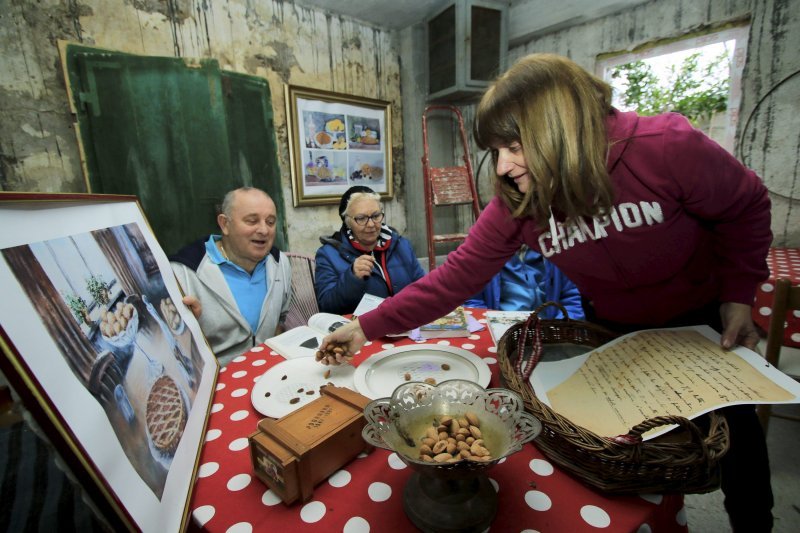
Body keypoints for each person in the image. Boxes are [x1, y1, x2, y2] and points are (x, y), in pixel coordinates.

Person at [322, 54, 773, 531]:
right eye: (495, 150)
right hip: (613, 328)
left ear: (558, 126)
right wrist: (364, 327)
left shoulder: (667, 146)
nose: (503, 166)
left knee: (737, 442)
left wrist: (739, 297)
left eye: (514, 146)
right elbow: (453, 278)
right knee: (632, 448)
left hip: (700, 319)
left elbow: (746, 206)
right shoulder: (520, 200)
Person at [170, 187, 292, 366]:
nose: (264, 230)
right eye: (252, 221)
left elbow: (280, 320)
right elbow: (173, 350)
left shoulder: (280, 263)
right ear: (225, 224)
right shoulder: (184, 273)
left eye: (271, 222)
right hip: (216, 383)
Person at [314, 185, 426, 315]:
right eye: (361, 218)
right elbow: (327, 307)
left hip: (405, 324)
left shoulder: (401, 245)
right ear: (347, 222)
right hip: (359, 330)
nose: (371, 224)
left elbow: (423, 288)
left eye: (376, 216)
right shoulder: (328, 255)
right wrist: (352, 277)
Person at [465, 244, 584, 319]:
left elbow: (570, 299)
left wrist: (559, 329)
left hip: (549, 331)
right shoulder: (484, 253)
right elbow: (473, 303)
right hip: (502, 331)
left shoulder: (556, 250)